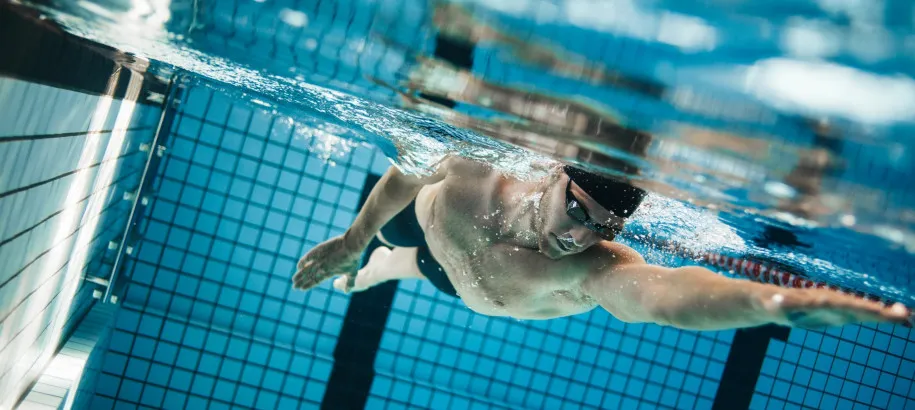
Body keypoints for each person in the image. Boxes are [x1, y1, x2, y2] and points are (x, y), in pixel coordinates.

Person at [292, 157, 911, 330]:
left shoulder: (592, 267)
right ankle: (369, 262)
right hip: (425, 225)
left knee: (412, 269)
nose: (576, 236)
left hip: (456, 278)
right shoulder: (472, 171)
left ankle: (379, 268)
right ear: (556, 175)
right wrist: (351, 239)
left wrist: (763, 304)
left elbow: (663, 296)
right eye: (575, 210)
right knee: (393, 246)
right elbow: (405, 171)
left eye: (598, 228)